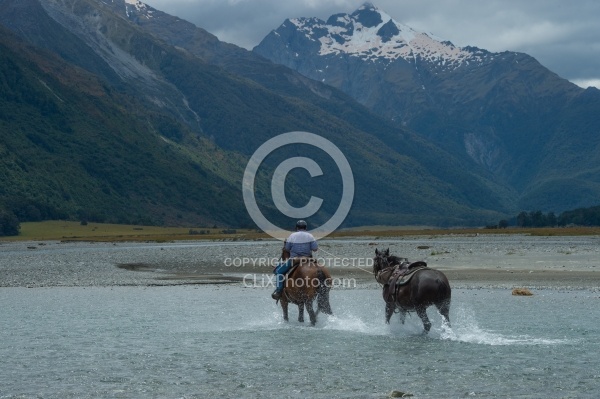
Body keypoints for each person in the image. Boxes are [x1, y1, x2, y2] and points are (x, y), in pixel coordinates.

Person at [271, 220, 318, 300]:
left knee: (279, 272)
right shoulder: (310, 236)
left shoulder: (292, 235)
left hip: (295, 260)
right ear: (305, 228)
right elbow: (315, 249)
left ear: (296, 227)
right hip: (308, 259)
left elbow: (287, 248)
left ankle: (278, 291)